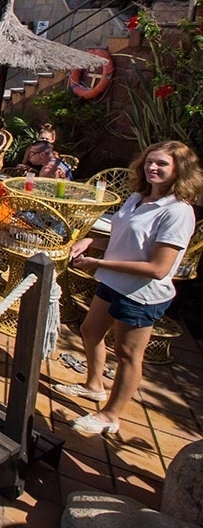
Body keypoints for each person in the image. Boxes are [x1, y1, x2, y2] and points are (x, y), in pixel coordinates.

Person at [55, 141, 202, 435]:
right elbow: (128, 241)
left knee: (127, 354)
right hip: (113, 281)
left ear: (179, 171)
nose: (153, 167)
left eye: (162, 164)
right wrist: (93, 242)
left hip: (141, 293)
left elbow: (158, 268)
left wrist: (99, 263)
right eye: (150, 161)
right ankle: (94, 385)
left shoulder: (177, 212)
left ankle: (111, 415)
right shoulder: (138, 197)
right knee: (91, 331)